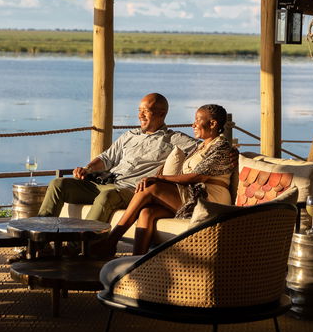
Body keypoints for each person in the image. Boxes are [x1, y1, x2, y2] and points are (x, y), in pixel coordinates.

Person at [91, 103, 237, 257]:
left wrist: (159, 177)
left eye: (197, 120)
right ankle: (136, 261)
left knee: (151, 187)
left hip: (210, 200)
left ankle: (112, 240)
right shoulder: (201, 146)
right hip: (194, 195)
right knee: (147, 212)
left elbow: (198, 176)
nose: (192, 124)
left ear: (213, 123)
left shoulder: (221, 147)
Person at [34, 93, 198, 223]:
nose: (140, 115)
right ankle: (39, 241)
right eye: (139, 110)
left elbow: (206, 148)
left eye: (146, 111)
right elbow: (106, 158)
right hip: (105, 182)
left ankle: (80, 247)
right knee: (58, 184)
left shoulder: (172, 139)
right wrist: (88, 169)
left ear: (161, 114)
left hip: (129, 191)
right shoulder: (130, 135)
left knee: (107, 196)